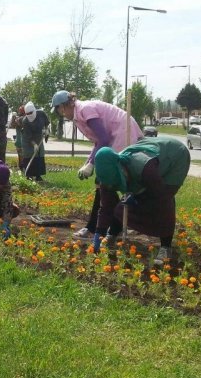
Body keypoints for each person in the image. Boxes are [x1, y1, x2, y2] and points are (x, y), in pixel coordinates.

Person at [51, 90, 144, 247]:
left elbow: (104, 139)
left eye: (58, 110)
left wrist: (92, 164)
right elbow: (98, 142)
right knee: (104, 185)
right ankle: (105, 225)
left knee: (106, 183)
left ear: (63, 106)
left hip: (123, 134)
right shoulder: (79, 114)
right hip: (116, 136)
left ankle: (99, 227)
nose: (60, 114)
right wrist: (88, 162)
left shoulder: (84, 110)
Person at [92, 136, 191, 265]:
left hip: (175, 156)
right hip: (150, 166)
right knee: (123, 205)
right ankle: (111, 235)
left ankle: (166, 247)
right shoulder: (105, 175)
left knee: (162, 201)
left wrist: (138, 196)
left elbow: (161, 197)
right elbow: (106, 207)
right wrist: (98, 236)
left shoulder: (143, 166)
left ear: (120, 169)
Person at [15, 101, 50, 181]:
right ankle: (29, 175)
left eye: (31, 112)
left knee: (39, 154)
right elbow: (28, 136)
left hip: (38, 137)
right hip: (27, 139)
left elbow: (47, 123)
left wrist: (46, 129)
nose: (29, 114)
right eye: (27, 113)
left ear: (34, 110)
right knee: (29, 154)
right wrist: (34, 145)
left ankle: (38, 176)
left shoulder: (41, 113)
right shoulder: (25, 121)